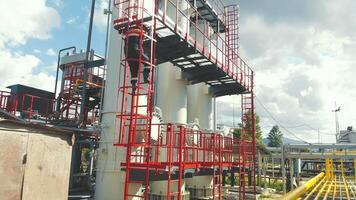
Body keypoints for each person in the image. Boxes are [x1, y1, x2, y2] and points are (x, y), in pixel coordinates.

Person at [124, 24, 151, 89]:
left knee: (134, 69)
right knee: (148, 61)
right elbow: (145, 36)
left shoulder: (128, 33)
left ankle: (134, 85)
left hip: (127, 53)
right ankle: (146, 76)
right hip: (135, 50)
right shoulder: (140, 31)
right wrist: (149, 32)